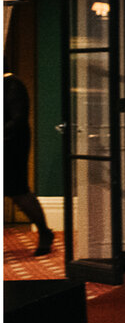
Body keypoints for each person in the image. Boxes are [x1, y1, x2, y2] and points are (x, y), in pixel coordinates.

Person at [3, 74, 53, 255]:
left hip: (11, 148)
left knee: (19, 192)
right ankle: (45, 233)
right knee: (19, 192)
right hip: (8, 144)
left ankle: (44, 232)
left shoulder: (12, 85)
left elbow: (18, 120)